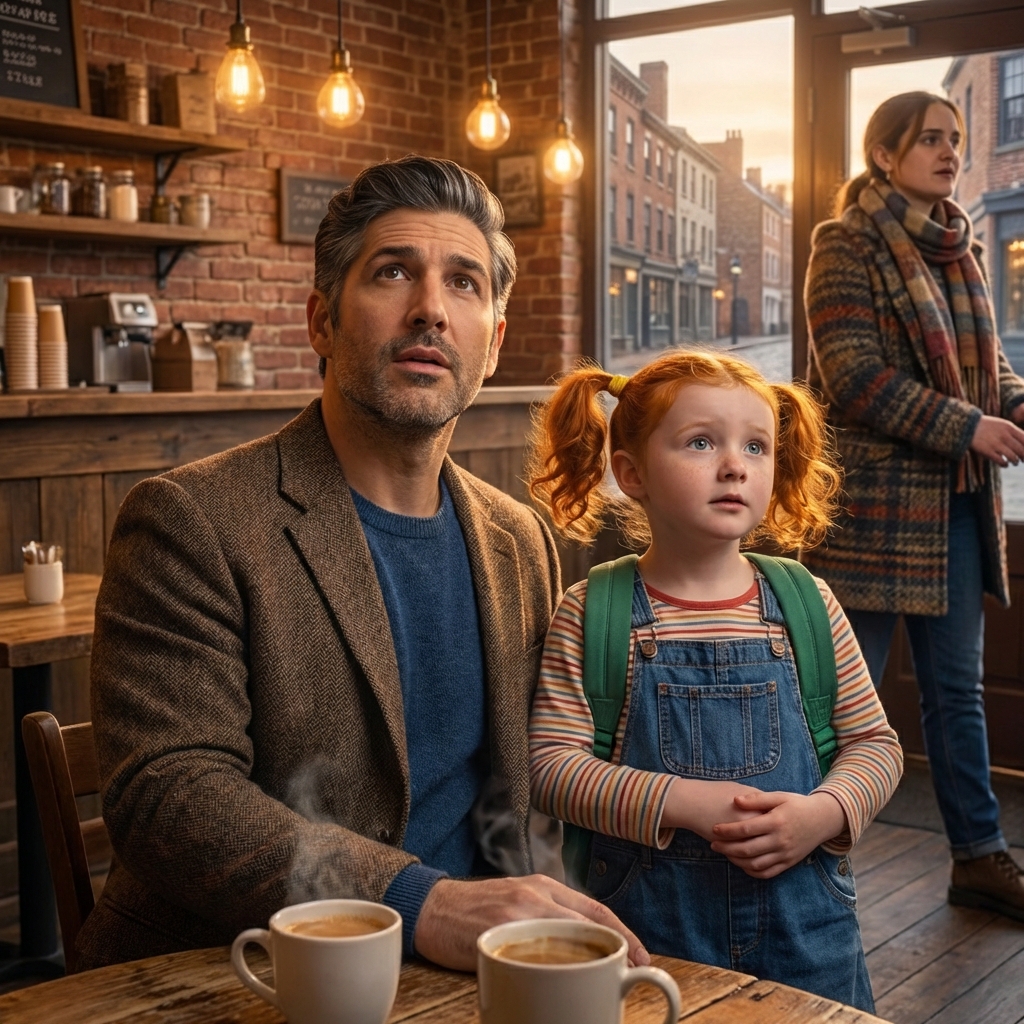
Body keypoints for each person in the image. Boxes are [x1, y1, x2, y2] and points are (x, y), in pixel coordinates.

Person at [76, 156, 646, 972]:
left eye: (464, 283)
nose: (430, 311)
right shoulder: (190, 520)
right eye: (392, 273)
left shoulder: (519, 538)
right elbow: (169, 795)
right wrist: (422, 902)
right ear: (321, 322)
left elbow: (542, 780)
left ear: (493, 346)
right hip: (242, 971)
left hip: (478, 971)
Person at [526, 351, 902, 1011]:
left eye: (755, 446)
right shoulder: (593, 612)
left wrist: (823, 814)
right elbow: (550, 768)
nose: (734, 464)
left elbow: (875, 745)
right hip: (650, 942)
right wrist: (687, 803)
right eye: (701, 442)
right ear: (631, 473)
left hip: (807, 938)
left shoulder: (806, 604)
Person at [804, 92, 1024, 923]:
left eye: (956, 139)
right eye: (930, 139)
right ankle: (808, 857)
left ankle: (979, 857)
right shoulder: (844, 244)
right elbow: (855, 379)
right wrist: (971, 426)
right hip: (874, 519)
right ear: (885, 155)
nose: (950, 152)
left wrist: (1015, 406)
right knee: (837, 700)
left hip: (957, 512)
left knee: (956, 695)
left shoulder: (960, 248)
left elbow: (990, 370)